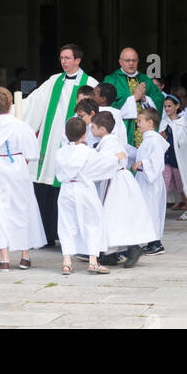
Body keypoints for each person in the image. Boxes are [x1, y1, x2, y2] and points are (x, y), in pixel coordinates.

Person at [20, 43, 97, 244]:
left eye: (68, 58)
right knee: (45, 186)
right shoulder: (54, 81)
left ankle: (70, 236)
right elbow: (32, 103)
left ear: (78, 60)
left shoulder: (91, 83)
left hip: (76, 143)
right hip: (51, 139)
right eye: (62, 58)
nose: (63, 62)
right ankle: (46, 234)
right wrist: (7, 112)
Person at [0, 86, 46, 269]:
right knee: (22, 208)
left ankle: (4, 258)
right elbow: (33, 153)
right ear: (10, 104)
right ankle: (25, 256)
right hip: (16, 166)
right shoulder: (20, 125)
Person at [55, 116, 121, 275]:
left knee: (66, 224)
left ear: (65, 133)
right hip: (84, 189)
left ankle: (66, 262)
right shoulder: (88, 152)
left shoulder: (60, 152)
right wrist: (115, 158)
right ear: (84, 135)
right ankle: (93, 261)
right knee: (93, 222)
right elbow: (102, 165)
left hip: (66, 189)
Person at [91, 111, 154, 268]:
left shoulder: (110, 142)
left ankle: (133, 248)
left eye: (93, 126)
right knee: (112, 217)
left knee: (118, 216)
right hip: (114, 181)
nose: (90, 128)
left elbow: (107, 162)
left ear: (102, 129)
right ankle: (110, 253)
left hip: (117, 182)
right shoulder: (107, 141)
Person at [104, 47, 164, 148]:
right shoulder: (111, 80)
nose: (131, 63)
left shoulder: (146, 79)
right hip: (123, 130)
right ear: (120, 62)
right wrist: (133, 98)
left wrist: (145, 99)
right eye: (127, 60)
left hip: (145, 132)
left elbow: (159, 99)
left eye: (134, 60)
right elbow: (106, 105)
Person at [133, 107, 167, 253]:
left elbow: (157, 161)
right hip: (145, 180)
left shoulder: (154, 140)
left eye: (140, 121)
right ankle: (150, 241)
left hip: (150, 182)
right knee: (147, 210)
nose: (138, 124)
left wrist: (142, 163)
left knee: (151, 210)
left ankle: (156, 243)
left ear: (150, 122)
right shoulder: (148, 139)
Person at [94, 82, 135, 151]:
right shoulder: (117, 113)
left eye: (94, 94)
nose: (91, 96)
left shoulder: (95, 112)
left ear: (103, 99)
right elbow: (122, 136)